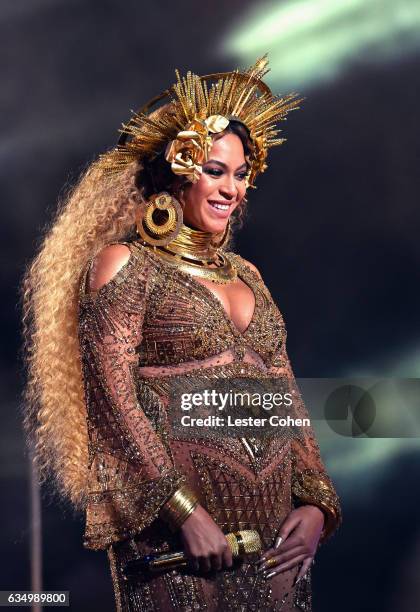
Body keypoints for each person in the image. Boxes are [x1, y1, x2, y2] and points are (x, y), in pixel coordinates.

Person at [22, 56, 341, 611]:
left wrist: (316, 504)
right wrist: (183, 511)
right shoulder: (126, 266)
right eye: (215, 170)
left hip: (275, 545)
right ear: (177, 171)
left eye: (241, 174)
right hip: (179, 544)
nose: (232, 188)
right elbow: (111, 403)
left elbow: (284, 395)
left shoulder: (250, 277)